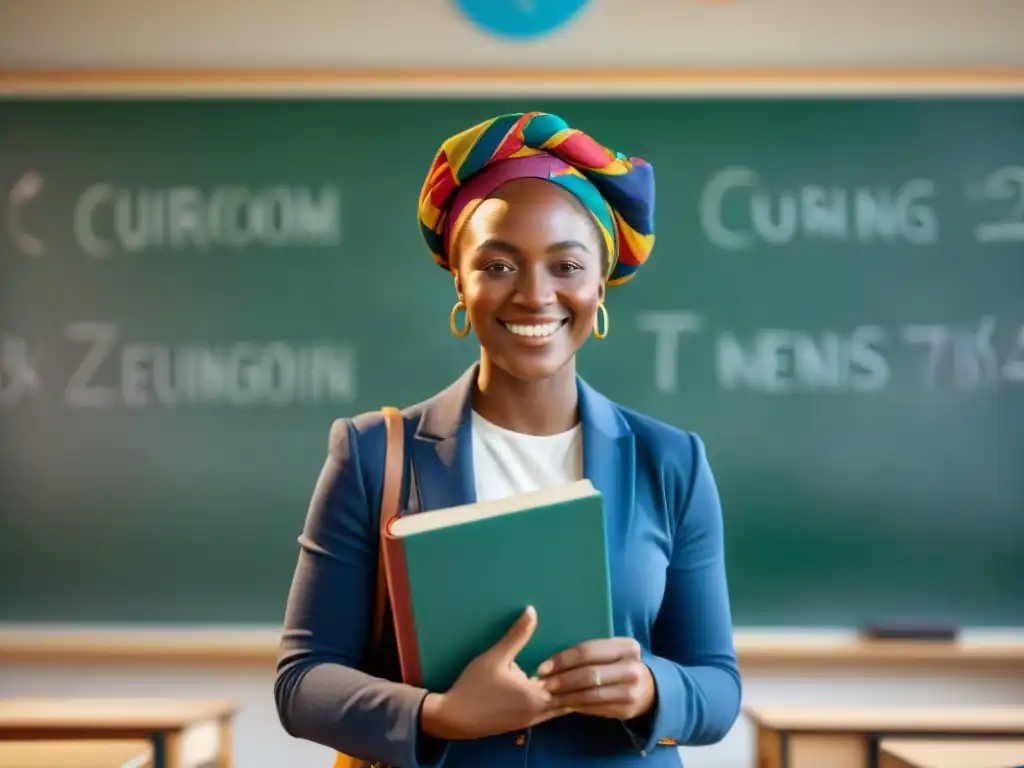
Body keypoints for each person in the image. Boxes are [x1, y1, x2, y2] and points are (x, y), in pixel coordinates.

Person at [275, 111, 742, 767]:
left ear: (599, 285)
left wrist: (650, 687)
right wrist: (439, 716)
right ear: (459, 284)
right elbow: (302, 683)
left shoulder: (670, 463)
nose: (534, 294)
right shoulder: (371, 456)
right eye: (497, 264)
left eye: (566, 265)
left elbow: (718, 685)